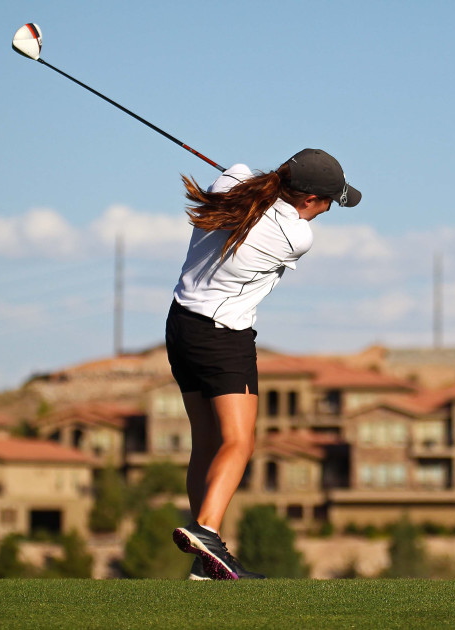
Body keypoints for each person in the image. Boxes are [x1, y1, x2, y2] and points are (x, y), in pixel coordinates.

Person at [167, 148, 361, 580]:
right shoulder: (297, 237)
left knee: (206, 441)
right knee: (239, 442)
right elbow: (274, 213)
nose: (326, 211)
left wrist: (255, 182)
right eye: (328, 203)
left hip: (180, 326)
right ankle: (208, 532)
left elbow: (240, 175)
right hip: (222, 336)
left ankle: (206, 561)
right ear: (308, 199)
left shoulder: (231, 182)